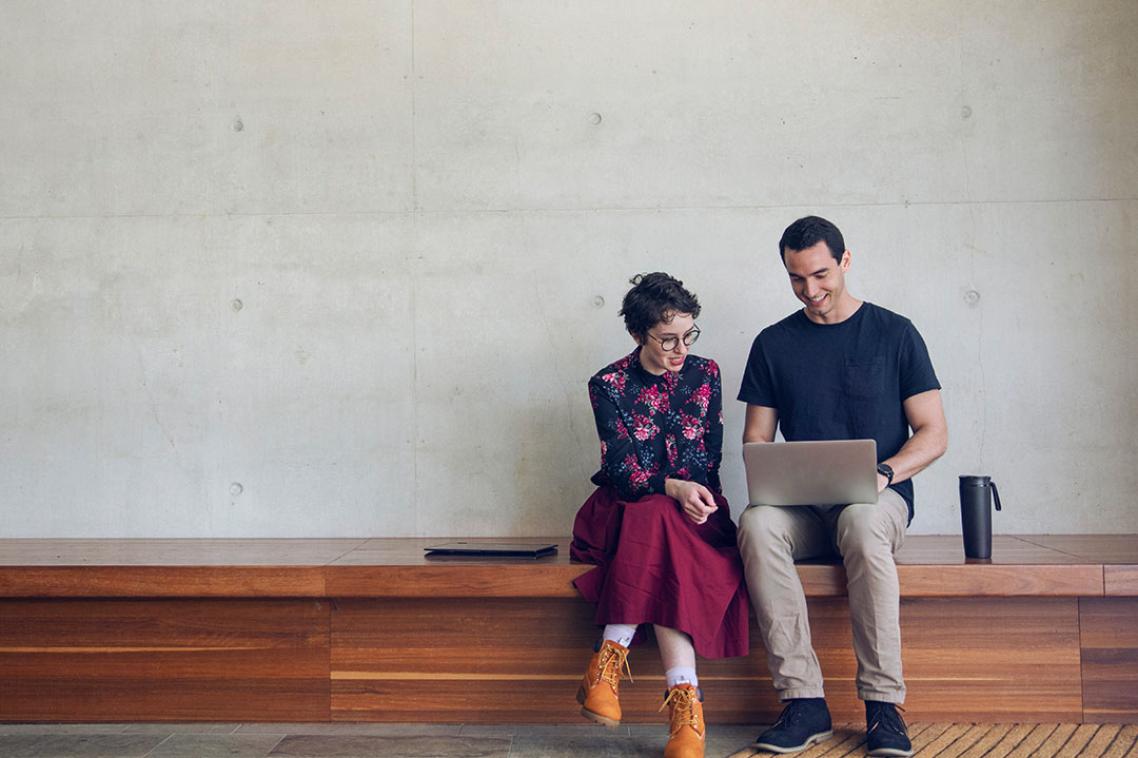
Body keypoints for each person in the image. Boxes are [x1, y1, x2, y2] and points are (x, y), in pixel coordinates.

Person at [736, 216, 948, 757]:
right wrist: (770, 471)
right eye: (797, 279)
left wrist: (885, 473)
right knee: (756, 524)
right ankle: (804, 702)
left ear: (845, 261)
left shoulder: (895, 333)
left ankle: (883, 707)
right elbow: (756, 440)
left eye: (821, 274)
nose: (811, 290)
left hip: (878, 501)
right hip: (803, 509)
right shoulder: (773, 343)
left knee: (861, 517)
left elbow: (934, 433)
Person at [571, 272, 749, 758]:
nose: (680, 350)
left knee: (666, 531)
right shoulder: (607, 383)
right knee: (654, 515)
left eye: (688, 336)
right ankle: (686, 714)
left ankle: (607, 662)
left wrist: (693, 497)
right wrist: (672, 487)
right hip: (624, 512)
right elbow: (622, 469)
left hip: (692, 515)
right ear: (637, 334)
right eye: (667, 339)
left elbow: (709, 461)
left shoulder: (706, 374)